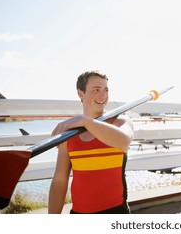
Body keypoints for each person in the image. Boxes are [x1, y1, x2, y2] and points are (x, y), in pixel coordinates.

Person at [48, 71, 134, 214]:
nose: (103, 95)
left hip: (115, 212)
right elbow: (59, 180)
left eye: (106, 90)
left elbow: (124, 142)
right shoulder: (70, 133)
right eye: (96, 90)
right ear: (81, 94)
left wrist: (84, 121)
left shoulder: (120, 121)